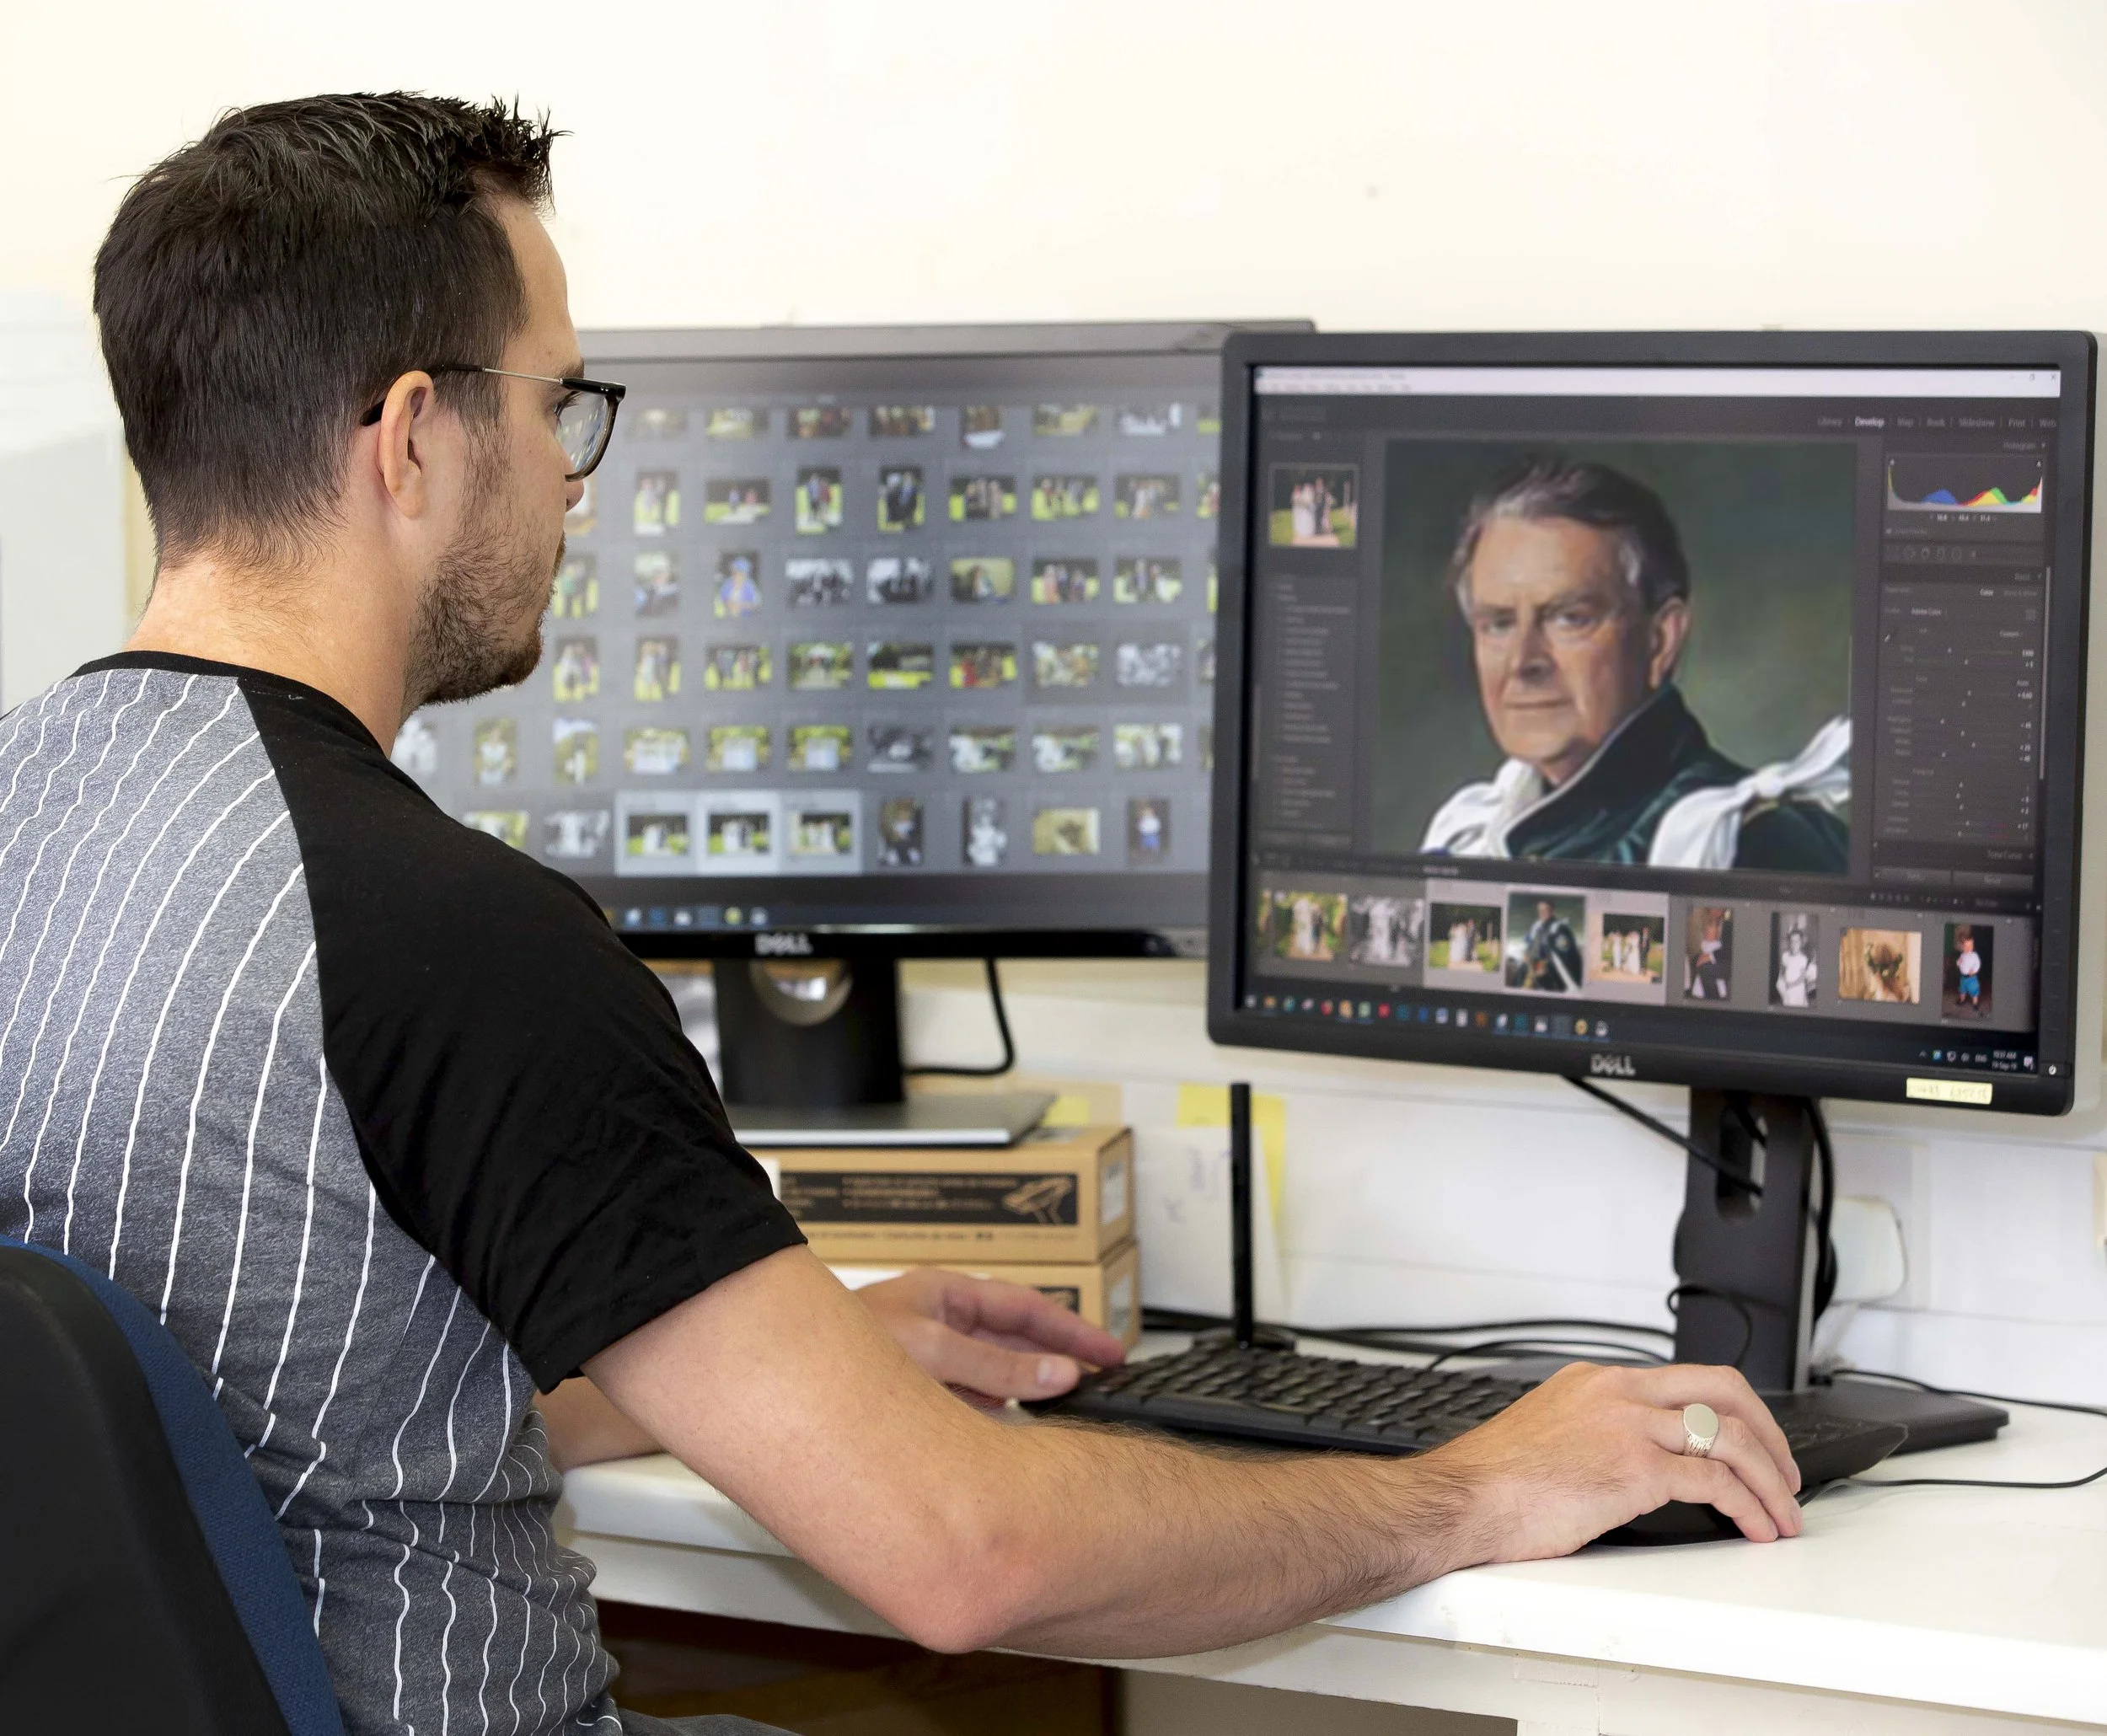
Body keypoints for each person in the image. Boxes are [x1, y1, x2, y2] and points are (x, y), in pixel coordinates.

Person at [0, 94, 1803, 1736]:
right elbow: (964, 1559)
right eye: (559, 406)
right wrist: (1475, 1481)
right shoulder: (450, 937)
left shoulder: (29, 813)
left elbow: (228, 1444)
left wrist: (765, 1374)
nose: (572, 480)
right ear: (410, 439)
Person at [1421, 456, 1851, 870]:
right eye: (1498, 623)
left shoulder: (1753, 843)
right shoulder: (1470, 837)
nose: (1523, 662)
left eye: (1570, 618)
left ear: (1660, 640)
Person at [1520, 898, 1584, 993]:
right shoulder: (1536, 926)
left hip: (1550, 969)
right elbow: (1527, 944)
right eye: (1540, 910)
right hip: (1533, 965)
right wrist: (1526, 955)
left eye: (1546, 910)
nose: (1542, 913)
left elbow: (1564, 952)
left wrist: (1544, 965)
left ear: (1552, 910)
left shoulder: (1559, 928)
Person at [1777, 925, 1818, 1006]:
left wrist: (1791, 984)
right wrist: (1782, 981)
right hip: (1787, 988)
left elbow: (1802, 977)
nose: (1794, 944)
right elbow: (1782, 971)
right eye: (1792, 941)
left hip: (1797, 988)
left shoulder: (1803, 959)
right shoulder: (1785, 956)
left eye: (1797, 942)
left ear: (1801, 943)